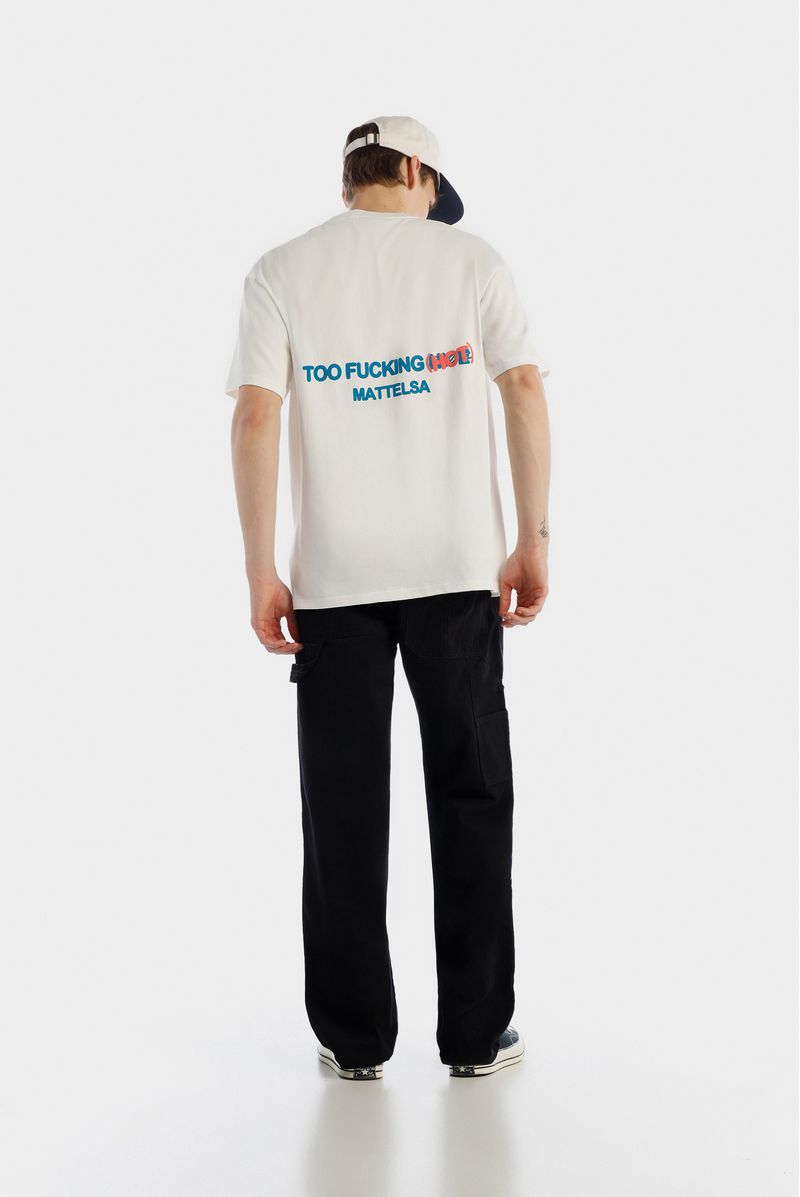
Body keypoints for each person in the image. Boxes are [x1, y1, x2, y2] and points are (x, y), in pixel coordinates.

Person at [224, 115, 551, 1081]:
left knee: (342, 805)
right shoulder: (472, 261)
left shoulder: (280, 270)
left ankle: (356, 1039)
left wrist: (260, 568)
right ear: (414, 170)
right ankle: (476, 1036)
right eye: (431, 190)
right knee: (472, 793)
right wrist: (531, 538)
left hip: (335, 579)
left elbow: (254, 418)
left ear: (349, 179)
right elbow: (524, 391)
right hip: (455, 569)